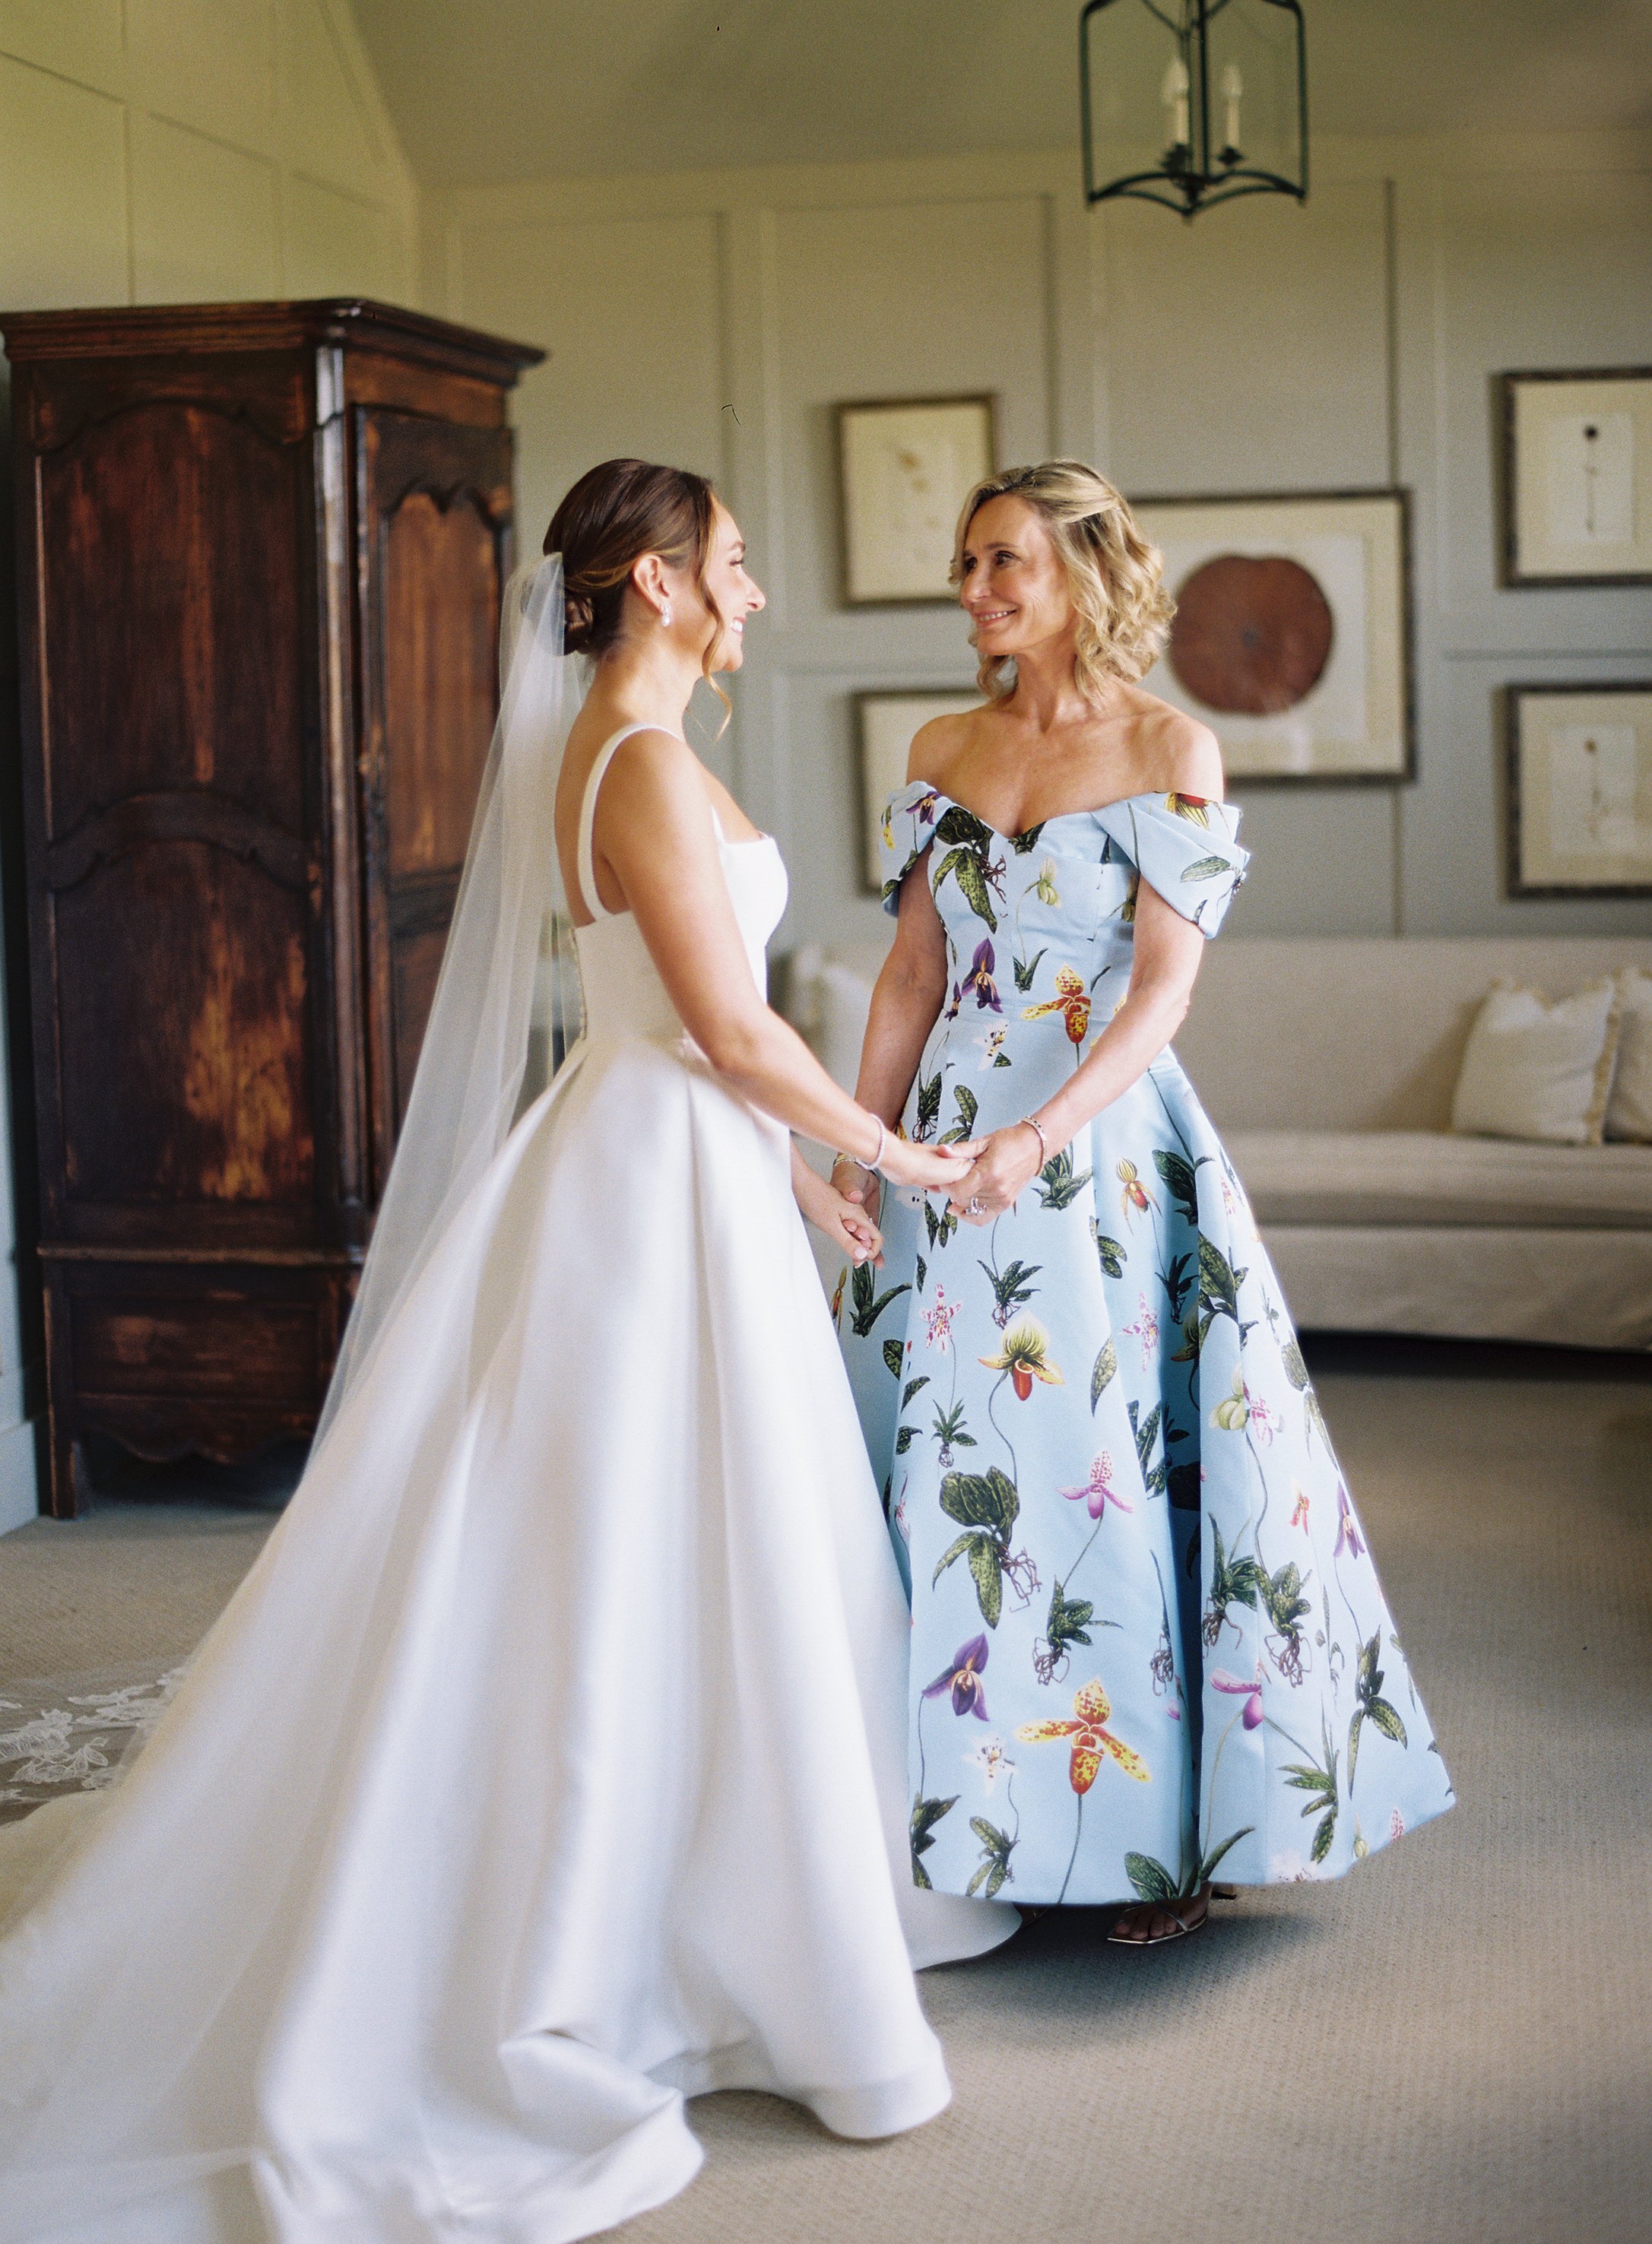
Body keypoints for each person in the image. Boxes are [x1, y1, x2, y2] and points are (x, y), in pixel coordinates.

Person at [0, 458, 1014, 2244]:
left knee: (702, 1532)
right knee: (633, 1538)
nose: (752, 592)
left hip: (678, 1154)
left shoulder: (634, 746)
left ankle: (729, 1878)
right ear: (654, 580)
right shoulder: (635, 761)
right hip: (646, 1176)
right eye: (734, 563)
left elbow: (688, 1029)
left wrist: (790, 1170)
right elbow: (723, 1025)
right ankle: (634, 1916)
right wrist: (896, 1152)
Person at [832, 460, 1453, 1942]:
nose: (975, 588)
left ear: (1084, 570)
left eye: (1004, 560)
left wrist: (1040, 1136)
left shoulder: (1174, 746)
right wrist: (862, 1150)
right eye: (966, 562)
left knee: (1104, 1473)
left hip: (1097, 1153)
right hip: (940, 1156)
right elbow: (913, 974)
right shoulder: (939, 745)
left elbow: (1161, 994)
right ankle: (958, 1821)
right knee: (946, 1476)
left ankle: (1156, 1839)